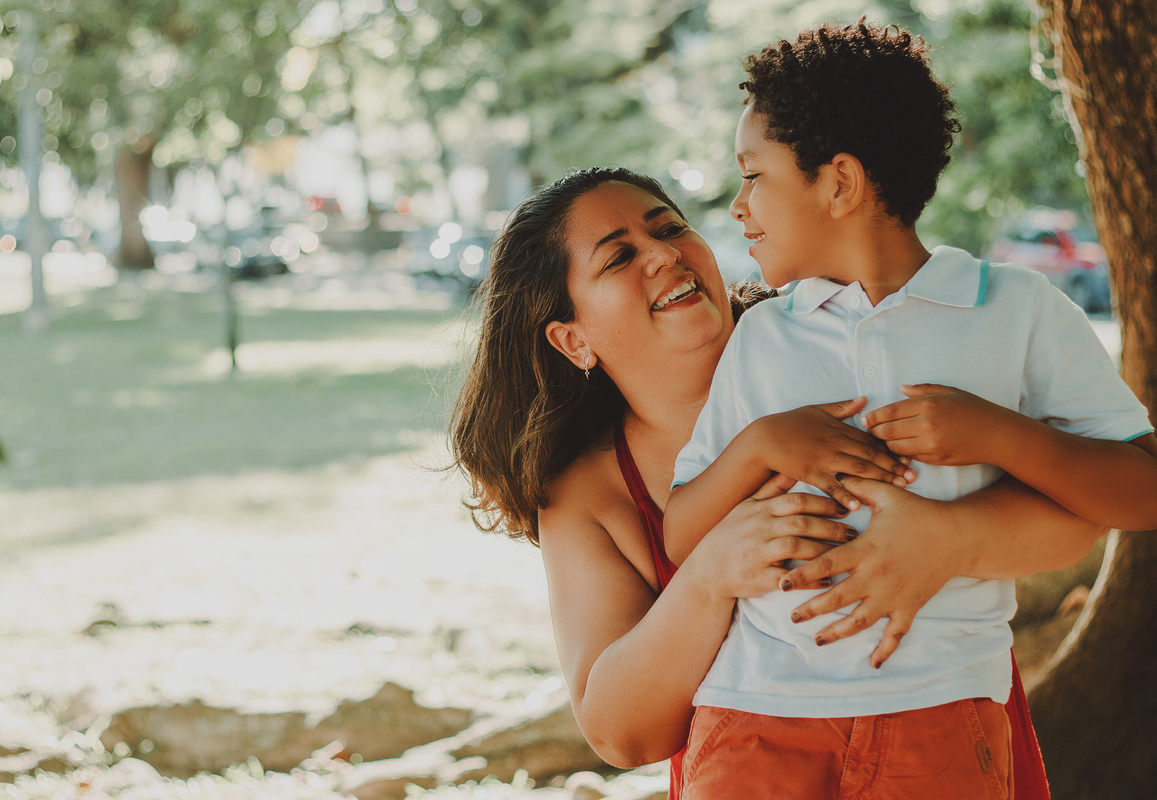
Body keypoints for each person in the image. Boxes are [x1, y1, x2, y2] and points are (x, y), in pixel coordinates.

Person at [450, 166, 1107, 799]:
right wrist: (709, 577)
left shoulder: (847, 347)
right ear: (572, 339)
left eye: (670, 228)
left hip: (940, 748)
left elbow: (1083, 515)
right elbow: (621, 734)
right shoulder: (591, 496)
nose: (664, 255)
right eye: (619, 257)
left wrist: (951, 540)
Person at [663, 20, 1157, 799]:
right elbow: (682, 531)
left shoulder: (1015, 308)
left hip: (942, 713)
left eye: (754, 175)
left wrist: (1002, 435)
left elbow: (1142, 488)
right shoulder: (759, 337)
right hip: (756, 716)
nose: (737, 205)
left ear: (839, 183)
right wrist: (759, 446)